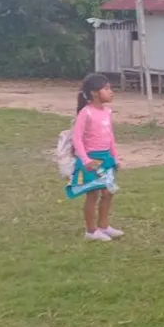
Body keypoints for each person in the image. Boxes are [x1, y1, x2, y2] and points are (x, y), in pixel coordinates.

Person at [66, 73, 124, 242]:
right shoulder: (86, 113)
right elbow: (77, 138)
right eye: (106, 88)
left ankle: (104, 226)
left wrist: (115, 157)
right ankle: (91, 231)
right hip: (91, 160)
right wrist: (86, 160)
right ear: (94, 93)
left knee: (108, 192)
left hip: (106, 159)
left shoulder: (107, 112)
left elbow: (110, 136)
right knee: (93, 194)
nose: (111, 92)